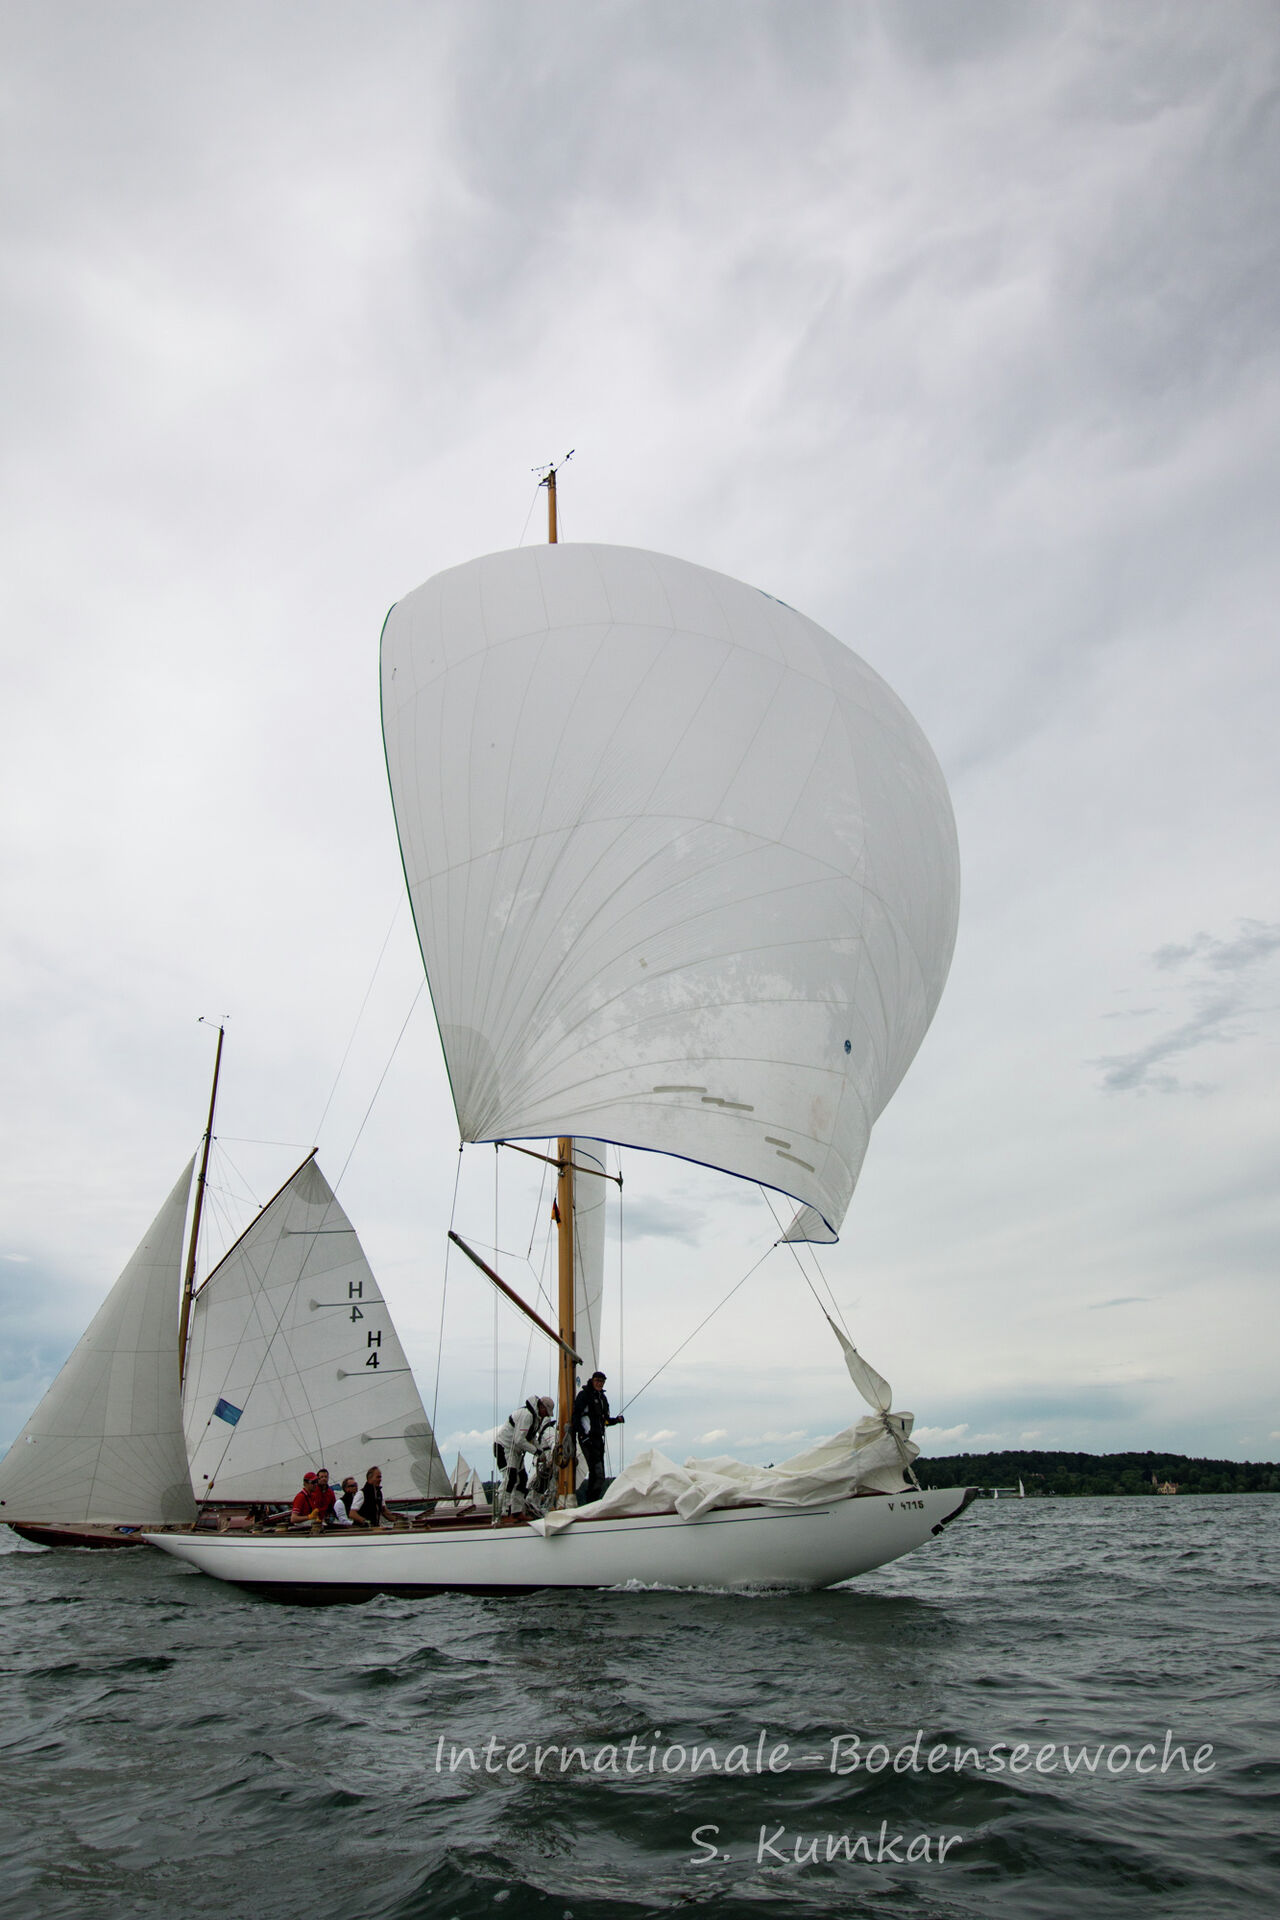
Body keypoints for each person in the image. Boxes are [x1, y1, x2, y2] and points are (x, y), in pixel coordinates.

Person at [494, 1395, 555, 1517]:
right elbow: (519, 1440)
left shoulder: (535, 1418)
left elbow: (531, 1438)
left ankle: (516, 1512)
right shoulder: (527, 1415)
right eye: (546, 1413)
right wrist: (537, 1452)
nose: (546, 1416)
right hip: (504, 1448)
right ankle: (502, 1512)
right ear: (542, 1407)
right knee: (510, 1478)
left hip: (516, 1452)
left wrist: (541, 1451)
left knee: (522, 1480)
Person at [573, 1370, 624, 1505]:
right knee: (597, 1473)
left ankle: (593, 1502)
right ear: (592, 1381)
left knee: (600, 1475)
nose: (599, 1384)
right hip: (587, 1438)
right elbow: (576, 1416)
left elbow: (605, 1420)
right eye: (597, 1381)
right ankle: (590, 1503)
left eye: (602, 1381)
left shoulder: (602, 1398)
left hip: (598, 1439)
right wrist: (582, 1434)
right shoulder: (584, 1395)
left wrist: (616, 1420)